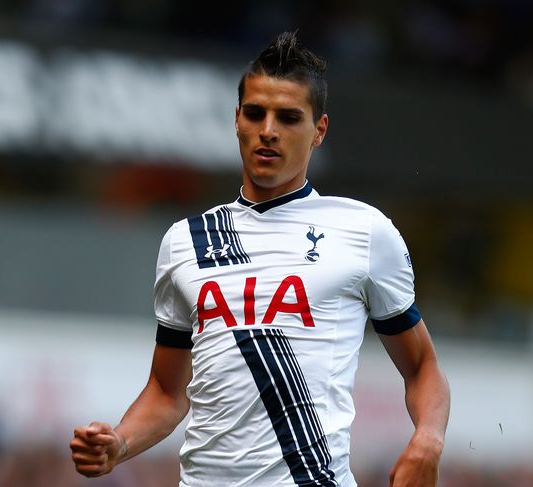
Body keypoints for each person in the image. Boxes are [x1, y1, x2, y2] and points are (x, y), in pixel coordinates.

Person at [70, 30, 450, 487]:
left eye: (288, 117)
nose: (268, 130)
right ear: (237, 120)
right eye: (255, 113)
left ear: (319, 131)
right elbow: (167, 392)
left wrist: (428, 440)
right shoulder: (186, 241)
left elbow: (422, 367)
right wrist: (120, 443)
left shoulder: (364, 231)